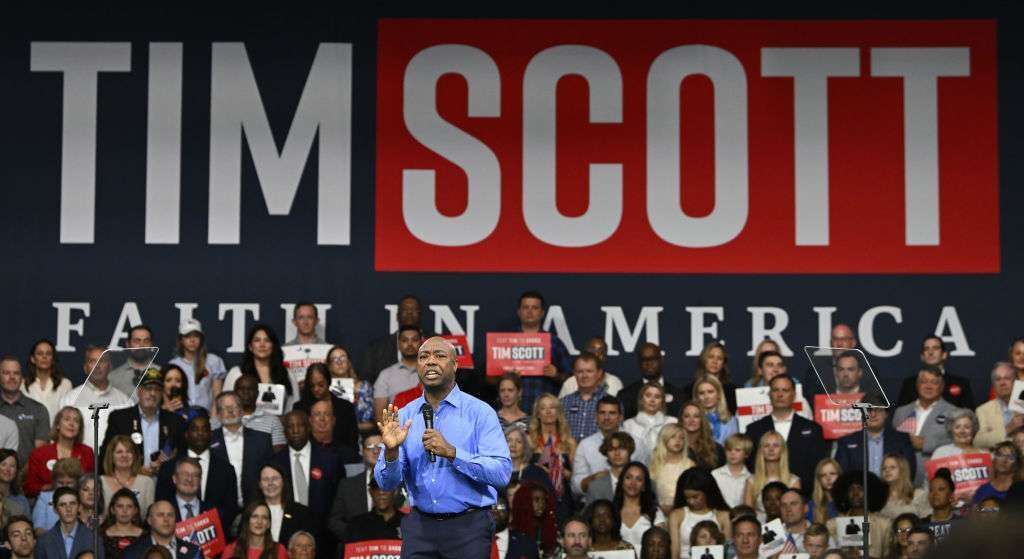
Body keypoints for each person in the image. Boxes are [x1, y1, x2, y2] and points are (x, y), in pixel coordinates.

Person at [374, 336, 512, 557]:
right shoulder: (404, 416)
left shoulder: (479, 412)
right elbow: (387, 484)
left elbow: (501, 474)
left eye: (439, 356)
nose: (430, 361)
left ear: (455, 365)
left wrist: (453, 453)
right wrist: (391, 451)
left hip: (468, 528)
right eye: (423, 357)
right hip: (420, 528)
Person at [745, 374, 826, 492]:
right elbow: (750, 466)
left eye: (785, 390)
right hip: (763, 498)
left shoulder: (813, 429)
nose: (780, 394)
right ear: (769, 394)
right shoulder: (754, 430)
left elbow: (818, 467)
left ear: (794, 395)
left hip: (803, 496)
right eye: (775, 390)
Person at [100, 368, 186, 476]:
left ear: (162, 394)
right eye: (148, 388)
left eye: (157, 389)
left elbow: (183, 457)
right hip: (129, 482)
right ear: (139, 391)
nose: (152, 393)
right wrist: (135, 470)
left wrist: (167, 466)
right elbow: (107, 455)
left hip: (164, 484)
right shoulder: (120, 419)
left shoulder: (176, 422)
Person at [156, 415, 238, 526]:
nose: (200, 433)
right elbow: (161, 503)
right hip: (173, 533)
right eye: (195, 429)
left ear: (211, 434)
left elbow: (230, 509)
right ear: (186, 434)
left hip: (215, 535)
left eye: (204, 429)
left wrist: (209, 528)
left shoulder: (226, 470)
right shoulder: (168, 468)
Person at [271, 410, 341, 532]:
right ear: (284, 432)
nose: (296, 431)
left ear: (308, 428)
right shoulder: (275, 463)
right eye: (290, 427)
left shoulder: (329, 459)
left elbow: (338, 496)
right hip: (287, 529)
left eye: (300, 425)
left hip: (324, 530)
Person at [891, 365, 961, 486]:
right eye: (924, 382)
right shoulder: (901, 412)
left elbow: (959, 445)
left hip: (936, 482)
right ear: (917, 385)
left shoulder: (954, 413)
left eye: (934, 382)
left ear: (942, 387)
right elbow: (891, 443)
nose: (928, 386)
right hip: (901, 482)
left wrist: (926, 444)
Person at [506, 291, 573, 414]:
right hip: (512, 412)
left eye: (535, 308)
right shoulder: (505, 341)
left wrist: (556, 374)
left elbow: (572, 380)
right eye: (526, 307)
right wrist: (506, 376)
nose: (530, 311)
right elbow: (488, 380)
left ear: (542, 313)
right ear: (519, 312)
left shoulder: (554, 342)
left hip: (544, 412)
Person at [211, 391, 274, 506]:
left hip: (255, 508)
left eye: (234, 407)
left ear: (241, 411)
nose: (230, 411)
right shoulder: (209, 441)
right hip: (220, 508)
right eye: (225, 408)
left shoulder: (262, 439)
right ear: (219, 415)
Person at [60, 345, 130, 449]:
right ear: (85, 368)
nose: (97, 365)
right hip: (78, 462)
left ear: (110, 367)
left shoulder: (125, 401)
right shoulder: (69, 399)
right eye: (92, 361)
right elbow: (60, 440)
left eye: (102, 361)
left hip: (113, 463)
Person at [328, 429, 389, 547]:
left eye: (380, 446)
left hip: (391, 548)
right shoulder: (347, 485)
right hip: (356, 548)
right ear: (362, 451)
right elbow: (334, 521)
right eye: (370, 446)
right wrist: (355, 535)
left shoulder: (400, 482)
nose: (376, 451)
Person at [223, 324, 299, 413]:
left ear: (273, 346)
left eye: (267, 340)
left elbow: (293, 405)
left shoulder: (287, 374)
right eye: (257, 340)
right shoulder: (237, 373)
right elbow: (225, 403)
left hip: (279, 425)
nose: (262, 345)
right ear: (250, 347)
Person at [24, 406, 94, 498]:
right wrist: (52, 488)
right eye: (67, 419)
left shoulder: (87, 452)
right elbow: (29, 488)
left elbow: (92, 483)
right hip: (47, 502)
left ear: (79, 428)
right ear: (57, 425)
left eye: (76, 421)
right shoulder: (39, 454)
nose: (72, 424)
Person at [835, 403, 916, 479]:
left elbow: (909, 471)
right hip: (859, 492)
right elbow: (841, 474)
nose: (873, 414)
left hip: (894, 491)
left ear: (886, 414)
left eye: (878, 410)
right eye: (869, 410)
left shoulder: (902, 439)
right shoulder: (847, 441)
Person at [359, 295, 426, 385]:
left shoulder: (435, 344)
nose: (409, 313)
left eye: (414, 310)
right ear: (397, 316)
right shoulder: (376, 349)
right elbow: (365, 382)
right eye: (405, 310)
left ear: (421, 315)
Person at [667, 468, 732, 559]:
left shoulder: (723, 516)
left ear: (707, 492)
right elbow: (675, 553)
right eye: (687, 498)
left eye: (695, 497)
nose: (691, 502)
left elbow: (726, 553)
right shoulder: (677, 515)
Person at [825, 470, 892, 558]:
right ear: (844, 493)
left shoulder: (884, 525)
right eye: (851, 489)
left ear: (870, 492)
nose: (855, 493)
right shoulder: (833, 526)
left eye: (860, 488)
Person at [896, 336, 975, 409]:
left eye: (935, 348)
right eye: (926, 349)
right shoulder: (910, 383)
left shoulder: (961, 383)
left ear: (944, 354)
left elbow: (969, 416)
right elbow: (901, 415)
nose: (930, 352)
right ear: (922, 357)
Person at [293, 363, 359, 450]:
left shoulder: (346, 407)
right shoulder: (300, 408)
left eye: (320, 385)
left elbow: (352, 441)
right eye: (312, 385)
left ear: (329, 382)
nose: (316, 389)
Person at [572, 396, 628, 495]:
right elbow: (576, 486)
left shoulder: (637, 444)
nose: (606, 417)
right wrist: (593, 480)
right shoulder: (585, 445)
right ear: (596, 417)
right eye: (602, 413)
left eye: (612, 413)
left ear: (620, 417)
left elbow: (644, 478)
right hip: (593, 503)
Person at [0, 356, 49, 467]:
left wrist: (24, 474)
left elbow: (40, 451)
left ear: (22, 378)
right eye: (6, 373)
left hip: (28, 476)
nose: (12, 377)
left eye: (16, 373)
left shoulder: (38, 409)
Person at [170, 319, 226, 413]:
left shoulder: (213, 361)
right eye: (188, 336)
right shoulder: (173, 364)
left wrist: (213, 420)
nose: (192, 340)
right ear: (181, 340)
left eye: (196, 336)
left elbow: (217, 395)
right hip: (180, 416)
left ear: (201, 339)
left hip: (206, 417)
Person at [255, 463, 317, 548]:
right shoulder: (251, 512)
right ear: (260, 484)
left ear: (283, 482)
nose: (270, 483)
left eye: (275, 478)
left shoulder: (302, 513)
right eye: (265, 479)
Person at [527, 393, 576, 502]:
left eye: (552, 407)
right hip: (534, 497)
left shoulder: (570, 442)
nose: (548, 411)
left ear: (558, 412)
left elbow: (574, 477)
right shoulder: (529, 440)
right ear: (538, 414)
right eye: (543, 408)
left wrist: (556, 471)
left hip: (563, 497)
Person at [618, 343, 685, 419]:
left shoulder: (678, 395)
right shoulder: (626, 396)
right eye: (644, 360)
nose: (649, 363)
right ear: (639, 363)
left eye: (653, 359)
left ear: (661, 360)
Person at [371, 324, 423, 420]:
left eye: (414, 340)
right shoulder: (385, 375)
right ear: (398, 344)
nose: (410, 344)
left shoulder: (430, 372)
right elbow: (380, 417)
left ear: (421, 343)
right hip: (397, 430)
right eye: (404, 340)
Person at [743, 431, 800, 518]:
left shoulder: (793, 481)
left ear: (782, 450)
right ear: (761, 450)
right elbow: (748, 515)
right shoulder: (751, 481)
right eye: (766, 445)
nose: (771, 449)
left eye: (776, 445)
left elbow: (796, 513)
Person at [99, 435, 156, 520]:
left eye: (129, 452)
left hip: (140, 532)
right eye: (119, 452)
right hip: (104, 532)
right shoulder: (100, 482)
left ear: (134, 456)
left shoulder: (146, 482)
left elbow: (150, 517)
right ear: (111, 456)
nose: (124, 455)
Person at [222, 376, 285, 450]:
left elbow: (279, 453)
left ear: (257, 393)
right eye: (241, 389)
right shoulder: (221, 419)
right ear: (234, 393)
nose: (246, 392)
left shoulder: (273, 421)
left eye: (250, 389)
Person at [121, 500, 200, 559]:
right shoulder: (132, 552)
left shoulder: (194, 552)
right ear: (149, 520)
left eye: (170, 515)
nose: (166, 519)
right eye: (160, 515)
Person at [801, 324, 857, 405]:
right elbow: (809, 402)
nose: (839, 344)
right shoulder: (816, 372)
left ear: (853, 343)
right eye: (835, 339)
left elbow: (876, 399)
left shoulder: (868, 370)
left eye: (844, 339)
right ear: (831, 343)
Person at [614, 462, 665, 549]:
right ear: (621, 482)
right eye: (628, 477)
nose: (633, 483)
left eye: (639, 479)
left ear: (644, 486)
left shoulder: (655, 512)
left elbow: (660, 548)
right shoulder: (611, 511)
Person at [22, 340, 73, 428]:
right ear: (33, 359)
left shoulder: (65, 384)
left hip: (56, 438)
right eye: (40, 353)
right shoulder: (22, 384)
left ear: (53, 359)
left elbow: (68, 415)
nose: (44, 357)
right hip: (29, 437)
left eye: (48, 354)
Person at [325, 345, 375, 433]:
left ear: (349, 362)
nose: (339, 362)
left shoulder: (364, 387)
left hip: (363, 436)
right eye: (335, 359)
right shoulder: (325, 390)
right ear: (329, 365)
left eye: (343, 358)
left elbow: (372, 423)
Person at [561, 353, 609, 442]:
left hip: (599, 454)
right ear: (574, 373)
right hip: (568, 454)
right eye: (580, 371)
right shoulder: (563, 403)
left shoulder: (610, 403)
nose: (584, 376)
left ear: (599, 373)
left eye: (589, 371)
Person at [975, 362, 1024, 449]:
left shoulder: (1022, 404)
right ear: (993, 384)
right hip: (999, 459)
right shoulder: (983, 410)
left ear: (1016, 381)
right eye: (998, 379)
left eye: (1007, 378)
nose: (1002, 383)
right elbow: (978, 442)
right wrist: (1008, 428)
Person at [622, 382, 676, 458]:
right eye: (648, 395)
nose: (652, 400)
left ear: (662, 401)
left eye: (657, 397)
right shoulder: (628, 425)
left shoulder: (672, 422)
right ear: (641, 399)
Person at [37, 487, 93, 559]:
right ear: (55, 509)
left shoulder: (93, 538)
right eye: (63, 505)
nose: (68, 509)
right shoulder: (44, 541)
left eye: (72, 504)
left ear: (79, 507)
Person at [683, 342, 739, 414]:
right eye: (711, 357)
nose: (714, 361)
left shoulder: (733, 391)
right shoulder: (689, 390)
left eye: (719, 358)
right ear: (703, 359)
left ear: (723, 363)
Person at [648, 424, 694, 513]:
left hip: (683, 513)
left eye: (682, 438)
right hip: (658, 514)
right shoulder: (654, 464)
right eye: (673, 437)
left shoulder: (690, 465)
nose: (678, 441)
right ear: (664, 438)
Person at [31, 458, 82, 537]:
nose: (64, 486)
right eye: (60, 483)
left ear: (77, 482)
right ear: (54, 481)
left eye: (69, 483)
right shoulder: (44, 498)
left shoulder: (82, 498)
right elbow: (38, 529)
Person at [559, 337, 624, 398]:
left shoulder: (615, 382)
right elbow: (560, 409)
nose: (597, 354)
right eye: (593, 351)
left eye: (601, 352)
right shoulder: (570, 383)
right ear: (585, 353)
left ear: (605, 357)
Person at [344, 478, 404, 543]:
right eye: (376, 488)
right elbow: (345, 551)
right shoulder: (355, 525)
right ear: (370, 492)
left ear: (395, 491)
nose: (381, 493)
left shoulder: (409, 524)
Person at [221, 501, 288, 559]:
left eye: (264, 517)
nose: (259, 521)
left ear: (268, 524)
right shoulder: (231, 550)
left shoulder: (279, 550)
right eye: (255, 516)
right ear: (247, 521)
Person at [585, 432, 636, 506]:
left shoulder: (645, 484)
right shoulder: (595, 487)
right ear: (606, 452)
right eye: (612, 449)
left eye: (622, 448)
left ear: (630, 451)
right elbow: (589, 515)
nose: (617, 453)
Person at [107, 326, 160, 396]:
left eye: (146, 341)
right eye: (137, 341)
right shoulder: (113, 377)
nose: (142, 345)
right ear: (128, 344)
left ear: (151, 344)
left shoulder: (162, 373)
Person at [506, 427, 555, 494]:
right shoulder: (495, 472)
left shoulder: (537, 473)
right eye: (509, 440)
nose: (513, 445)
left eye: (519, 441)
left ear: (525, 447)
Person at [490, 494, 539, 559]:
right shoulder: (474, 540)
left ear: (510, 516)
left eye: (501, 509)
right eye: (491, 509)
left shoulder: (527, 544)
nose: (495, 513)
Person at [100, 488, 145, 558]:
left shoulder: (145, 536)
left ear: (135, 510)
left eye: (129, 507)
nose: (124, 510)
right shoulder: (101, 535)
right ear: (112, 510)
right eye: (120, 506)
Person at [693, 375, 738, 445]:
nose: (706, 397)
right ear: (697, 397)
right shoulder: (692, 420)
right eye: (701, 393)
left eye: (710, 392)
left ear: (719, 394)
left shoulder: (731, 420)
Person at [679, 402, 725, 470]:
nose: (691, 420)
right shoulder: (675, 447)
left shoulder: (716, 449)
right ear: (681, 420)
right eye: (687, 416)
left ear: (702, 420)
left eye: (696, 416)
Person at [712, 433, 753, 509]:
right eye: (729, 450)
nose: (732, 453)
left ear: (746, 454)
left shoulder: (750, 478)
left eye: (737, 450)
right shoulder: (715, 475)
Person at [807, 458, 840, 524]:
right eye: (823, 475)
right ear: (819, 479)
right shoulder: (811, 506)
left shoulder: (847, 504)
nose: (828, 478)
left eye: (832, 473)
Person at [0, 450, 30, 520]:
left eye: (12, 466)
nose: (7, 469)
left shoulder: (21, 500)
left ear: (16, 471)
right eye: (3, 464)